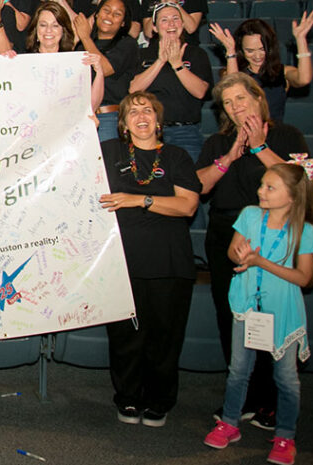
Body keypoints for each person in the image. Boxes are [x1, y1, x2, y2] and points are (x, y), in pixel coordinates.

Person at [195, 73, 312, 430]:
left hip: (274, 233)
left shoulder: (286, 135)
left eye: (240, 98)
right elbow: (199, 187)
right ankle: (240, 398)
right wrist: (230, 155)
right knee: (232, 314)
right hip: (227, 234)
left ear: (258, 97)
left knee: (273, 316)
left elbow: (305, 180)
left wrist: (260, 148)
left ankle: (270, 400)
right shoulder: (218, 141)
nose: (234, 107)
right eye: (227, 103)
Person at [202, 162, 313, 465]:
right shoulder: (250, 216)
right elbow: (232, 251)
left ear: (292, 196)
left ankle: (285, 435)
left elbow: (304, 278)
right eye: (261, 185)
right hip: (247, 307)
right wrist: (239, 255)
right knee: (239, 369)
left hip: (283, 312)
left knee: (286, 377)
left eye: (269, 187)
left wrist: (260, 262)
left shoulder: (304, 230)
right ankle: (229, 422)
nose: (260, 192)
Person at [99, 91, 200, 428]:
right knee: (126, 337)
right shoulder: (109, 152)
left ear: (159, 120)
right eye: (132, 112)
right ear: (124, 125)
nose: (141, 117)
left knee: (164, 337)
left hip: (168, 262)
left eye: (148, 111)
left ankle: (158, 400)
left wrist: (137, 199)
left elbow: (187, 206)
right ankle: (127, 399)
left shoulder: (177, 156)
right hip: (122, 261)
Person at [129, 2, 212, 163]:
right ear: (154, 27)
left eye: (176, 18)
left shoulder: (196, 53)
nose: (171, 24)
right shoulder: (143, 54)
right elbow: (134, 89)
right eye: (164, 20)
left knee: (188, 184)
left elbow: (200, 91)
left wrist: (177, 65)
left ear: (182, 24)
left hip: (186, 132)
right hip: (150, 131)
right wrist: (160, 61)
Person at [208, 12, 313, 122]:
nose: (257, 56)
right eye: (250, 51)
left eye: (262, 49)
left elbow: (303, 79)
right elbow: (233, 86)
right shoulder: (232, 72)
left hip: (274, 134)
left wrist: (301, 39)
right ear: (241, 50)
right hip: (243, 134)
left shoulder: (282, 72)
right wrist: (231, 52)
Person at [89, 0, 139, 142]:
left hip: (109, 118)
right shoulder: (82, 44)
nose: (110, 16)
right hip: (83, 116)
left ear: (123, 23)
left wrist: (85, 37)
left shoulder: (127, 44)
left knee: (109, 162)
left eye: (117, 14)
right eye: (106, 10)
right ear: (97, 14)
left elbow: (104, 69)